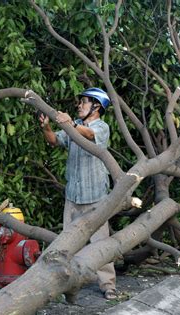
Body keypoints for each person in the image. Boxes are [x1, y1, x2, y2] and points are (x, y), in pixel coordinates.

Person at [39, 87, 117, 300]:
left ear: (97, 106)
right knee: (68, 243)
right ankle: (67, 285)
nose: (80, 105)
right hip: (73, 195)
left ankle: (108, 285)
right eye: (81, 101)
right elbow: (55, 140)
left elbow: (90, 136)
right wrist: (46, 127)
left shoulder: (101, 127)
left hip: (96, 196)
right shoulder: (76, 125)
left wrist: (70, 124)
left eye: (84, 102)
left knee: (101, 244)